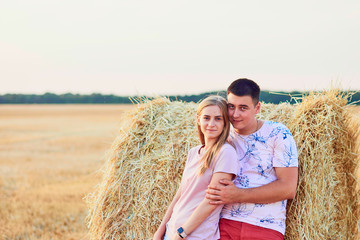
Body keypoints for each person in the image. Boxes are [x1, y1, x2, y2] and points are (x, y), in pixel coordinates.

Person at [206, 79, 298, 240]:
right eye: (231, 107)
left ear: (257, 108)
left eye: (243, 108)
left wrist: (237, 195)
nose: (235, 114)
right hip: (224, 224)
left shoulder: (278, 134)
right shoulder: (222, 137)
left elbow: (288, 188)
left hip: (265, 227)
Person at [153, 95, 239, 240]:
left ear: (225, 123)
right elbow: (180, 195)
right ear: (198, 119)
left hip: (197, 235)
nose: (211, 123)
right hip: (172, 231)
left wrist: (181, 234)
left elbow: (212, 201)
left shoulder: (226, 152)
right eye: (206, 118)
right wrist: (161, 229)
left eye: (218, 118)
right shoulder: (194, 152)